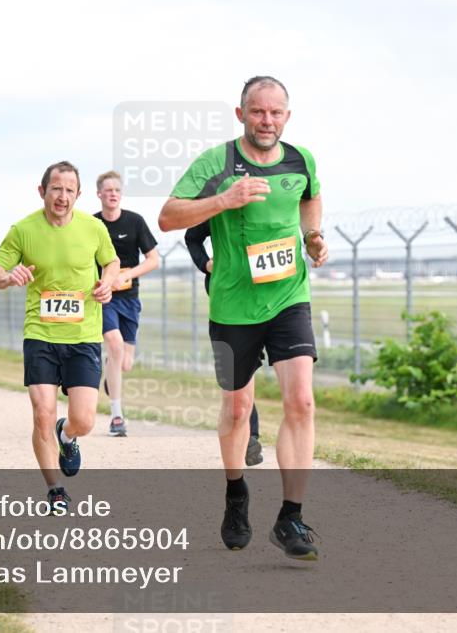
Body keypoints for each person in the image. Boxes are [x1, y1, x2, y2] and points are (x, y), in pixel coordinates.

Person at [158, 76, 329, 560]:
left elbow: (310, 196)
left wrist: (312, 235)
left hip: (289, 295)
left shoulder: (302, 160)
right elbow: (168, 217)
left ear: (287, 117)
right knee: (237, 409)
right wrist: (222, 201)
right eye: (258, 112)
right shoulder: (218, 163)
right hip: (233, 304)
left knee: (302, 401)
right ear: (241, 115)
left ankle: (290, 517)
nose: (267, 121)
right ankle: (236, 494)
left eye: (276, 113)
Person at [0, 160, 119, 512]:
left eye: (69, 190)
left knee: (85, 420)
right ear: (42, 190)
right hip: (40, 333)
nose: (62, 197)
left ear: (79, 194)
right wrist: (8, 276)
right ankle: (55, 489)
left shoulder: (94, 228)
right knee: (42, 412)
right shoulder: (23, 229)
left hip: (83, 335)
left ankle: (68, 434)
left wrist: (107, 282)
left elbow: (111, 262)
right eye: (56, 189)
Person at [185, 221, 264, 466]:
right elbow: (192, 236)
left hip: (271, 290)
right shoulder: (222, 198)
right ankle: (249, 435)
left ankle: (249, 433)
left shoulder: (275, 200)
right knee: (242, 368)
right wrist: (206, 264)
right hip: (229, 292)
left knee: (249, 366)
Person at [93, 170, 159, 437]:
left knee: (124, 362)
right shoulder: (91, 224)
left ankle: (112, 373)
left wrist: (127, 274)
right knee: (114, 344)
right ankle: (117, 416)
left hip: (130, 298)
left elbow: (154, 259)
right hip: (104, 297)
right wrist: (105, 280)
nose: (112, 194)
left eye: (116, 190)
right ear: (99, 194)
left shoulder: (135, 222)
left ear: (121, 194)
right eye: (107, 190)